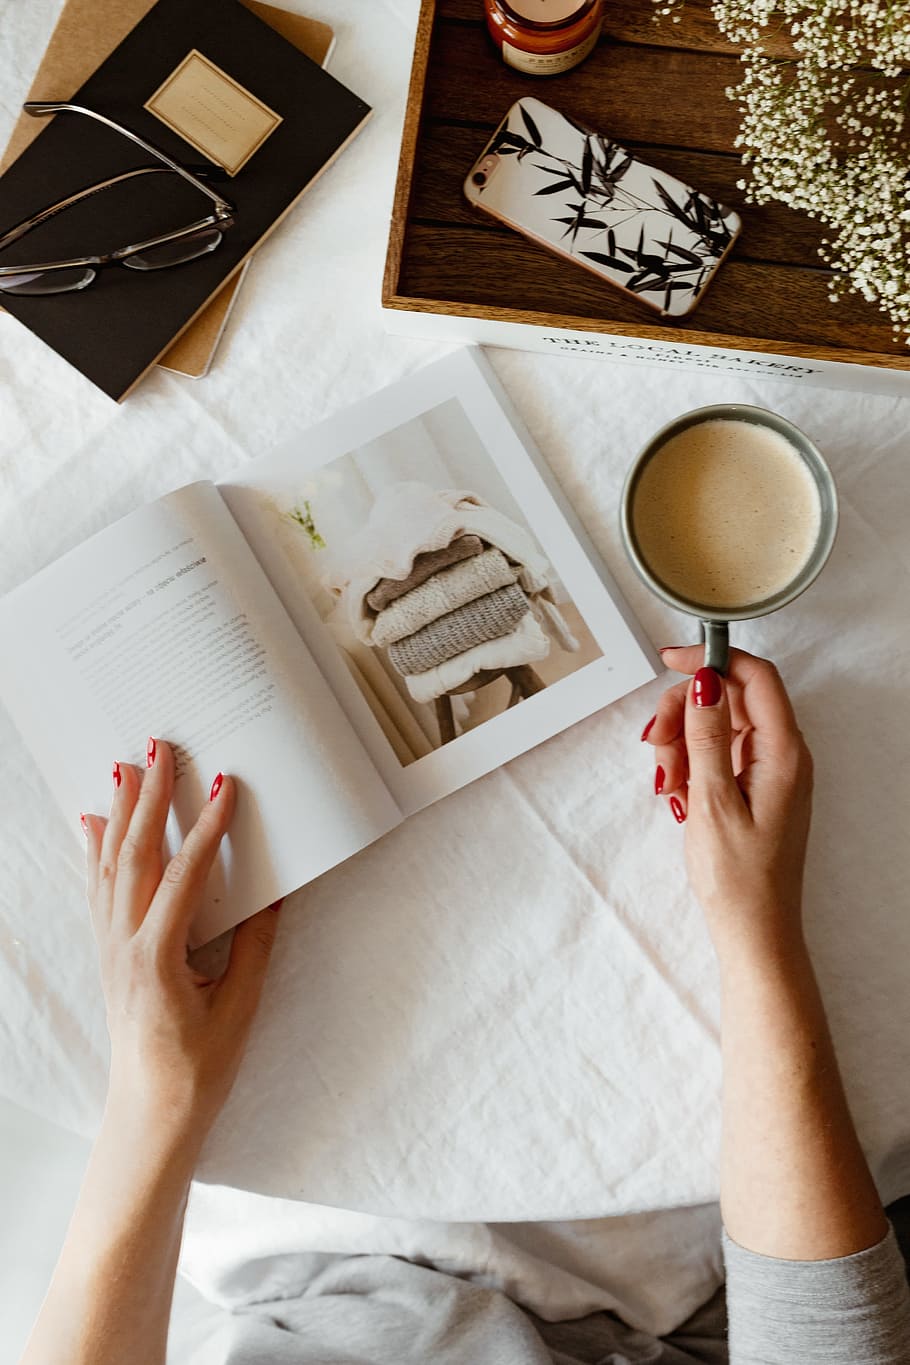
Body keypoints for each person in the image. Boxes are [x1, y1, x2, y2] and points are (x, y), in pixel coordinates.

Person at [19, 647, 910, 1365]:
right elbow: (821, 1336)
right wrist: (756, 927)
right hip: (659, 1239)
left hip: (265, 1219)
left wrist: (156, 1093)